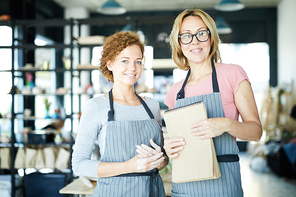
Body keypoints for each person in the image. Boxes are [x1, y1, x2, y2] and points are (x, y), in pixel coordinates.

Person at [163, 9, 262, 197]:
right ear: (179, 43)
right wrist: (169, 147)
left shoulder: (232, 74)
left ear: (211, 37)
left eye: (201, 33)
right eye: (186, 36)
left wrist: (227, 125)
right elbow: (173, 140)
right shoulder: (175, 91)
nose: (195, 41)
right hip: (184, 185)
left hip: (224, 185)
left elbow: (256, 132)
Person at [72, 31, 168, 197]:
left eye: (138, 62)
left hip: (152, 190)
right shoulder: (96, 106)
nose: (133, 68)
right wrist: (129, 166)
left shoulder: (151, 106)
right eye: (125, 61)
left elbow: (162, 158)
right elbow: (78, 164)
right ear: (110, 64)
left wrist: (161, 161)